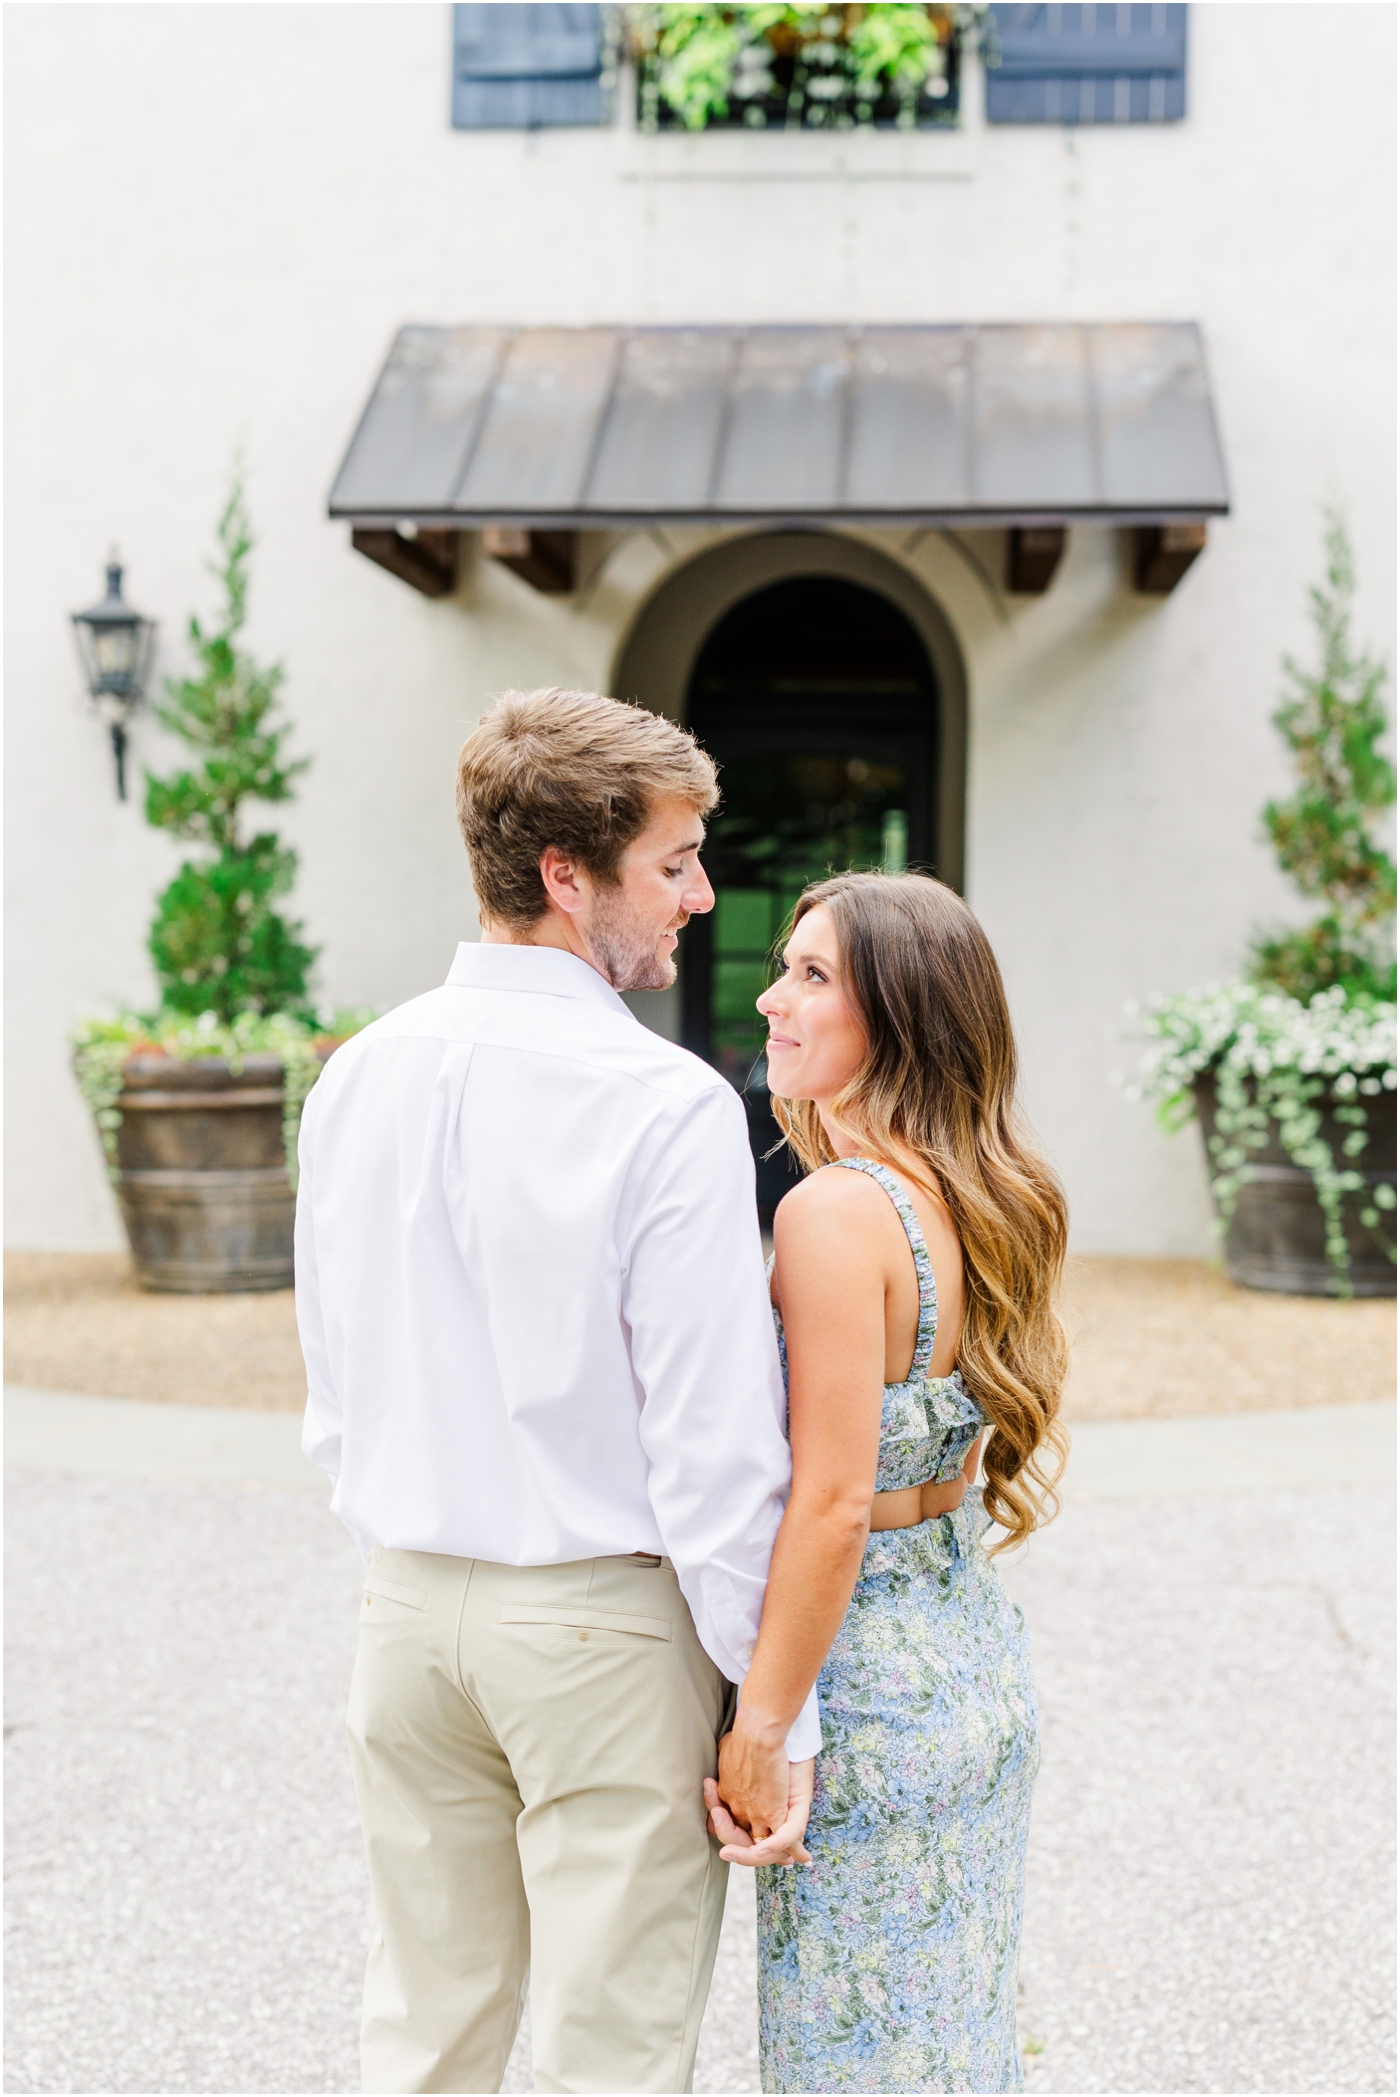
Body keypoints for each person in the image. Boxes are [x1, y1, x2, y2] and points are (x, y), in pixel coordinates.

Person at [295, 686, 819, 2096]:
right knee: (614, 2055)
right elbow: (716, 1452)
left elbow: (332, 1386)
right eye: (674, 862)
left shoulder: (355, 1080)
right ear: (563, 877)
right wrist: (774, 1719)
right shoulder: (665, 1104)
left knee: (421, 2033)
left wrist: (410, 1559)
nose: (703, 895)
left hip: (405, 1615)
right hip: (600, 1627)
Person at [706, 870, 1068, 2096]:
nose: (769, 999)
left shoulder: (833, 1214)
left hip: (859, 1701)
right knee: (951, 2049)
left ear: (901, 1018)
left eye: (812, 978)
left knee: (846, 2061)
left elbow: (831, 1501)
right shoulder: (992, 1199)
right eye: (782, 969)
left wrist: (761, 1724)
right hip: (971, 1671)